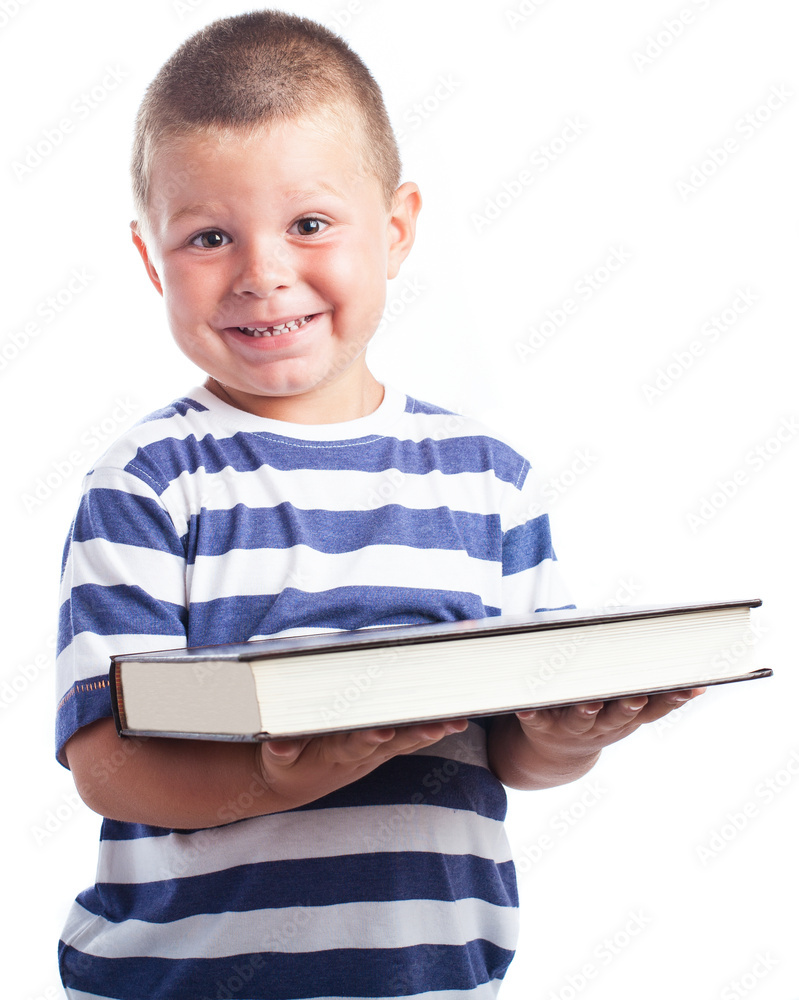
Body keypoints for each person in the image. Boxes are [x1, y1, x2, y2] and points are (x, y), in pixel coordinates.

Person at [55, 11, 701, 999]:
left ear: (395, 230)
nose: (263, 273)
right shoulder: (147, 481)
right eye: (209, 237)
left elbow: (516, 745)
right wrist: (276, 775)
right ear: (151, 261)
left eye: (309, 224)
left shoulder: (486, 479)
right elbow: (106, 762)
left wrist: (566, 738)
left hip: (429, 980)